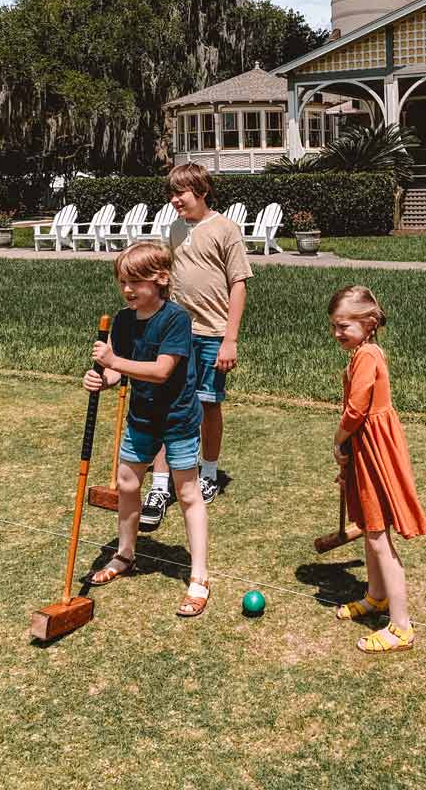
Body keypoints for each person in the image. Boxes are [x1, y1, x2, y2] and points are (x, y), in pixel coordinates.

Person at [84, 241, 210, 617]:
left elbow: (160, 370)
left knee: (187, 492)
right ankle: (125, 555)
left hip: (178, 417)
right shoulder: (123, 321)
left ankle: (200, 576)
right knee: (126, 482)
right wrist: (102, 380)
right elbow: (115, 371)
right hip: (142, 416)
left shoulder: (176, 319)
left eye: (135, 282)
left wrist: (114, 361)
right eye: (123, 281)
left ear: (161, 279)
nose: (127, 290)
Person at [140, 163, 253, 530]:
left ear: (201, 191)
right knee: (165, 403)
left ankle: (209, 473)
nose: (174, 200)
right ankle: (160, 485)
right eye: (171, 194)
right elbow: (167, 280)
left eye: (181, 194)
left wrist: (230, 340)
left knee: (207, 404)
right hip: (177, 333)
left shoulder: (225, 229)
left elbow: (239, 284)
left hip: (213, 333)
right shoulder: (173, 229)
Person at [329, 285, 426, 654]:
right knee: (372, 527)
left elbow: (356, 411)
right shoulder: (362, 352)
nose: (337, 333)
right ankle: (376, 596)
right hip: (366, 446)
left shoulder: (367, 354)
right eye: (334, 327)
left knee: (376, 535)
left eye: (344, 326)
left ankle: (401, 626)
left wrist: (338, 440)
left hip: (375, 448)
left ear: (368, 323)